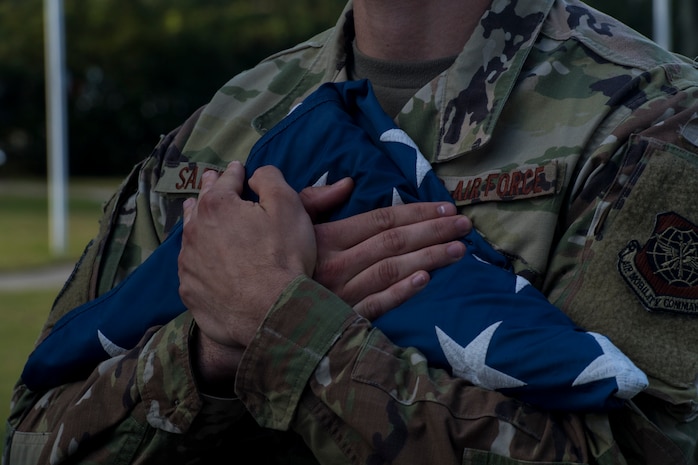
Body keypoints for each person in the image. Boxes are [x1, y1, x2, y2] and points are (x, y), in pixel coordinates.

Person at [5, 0, 698, 463]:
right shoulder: (225, 123)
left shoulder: (657, 124)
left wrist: (287, 325)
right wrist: (204, 347)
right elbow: (33, 436)